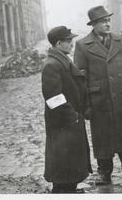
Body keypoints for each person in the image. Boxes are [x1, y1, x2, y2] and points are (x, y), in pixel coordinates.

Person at [74, 6, 122, 185]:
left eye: (108, 20)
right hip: (98, 100)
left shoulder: (119, 40)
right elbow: (80, 78)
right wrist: (85, 105)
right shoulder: (83, 45)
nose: (107, 24)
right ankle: (104, 172)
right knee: (102, 137)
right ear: (93, 24)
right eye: (103, 21)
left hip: (120, 96)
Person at [42, 26, 92, 193]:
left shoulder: (62, 60)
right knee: (63, 169)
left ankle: (69, 190)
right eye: (68, 41)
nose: (72, 44)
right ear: (58, 43)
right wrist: (73, 116)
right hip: (63, 124)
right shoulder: (52, 65)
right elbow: (53, 98)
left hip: (69, 124)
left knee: (70, 166)